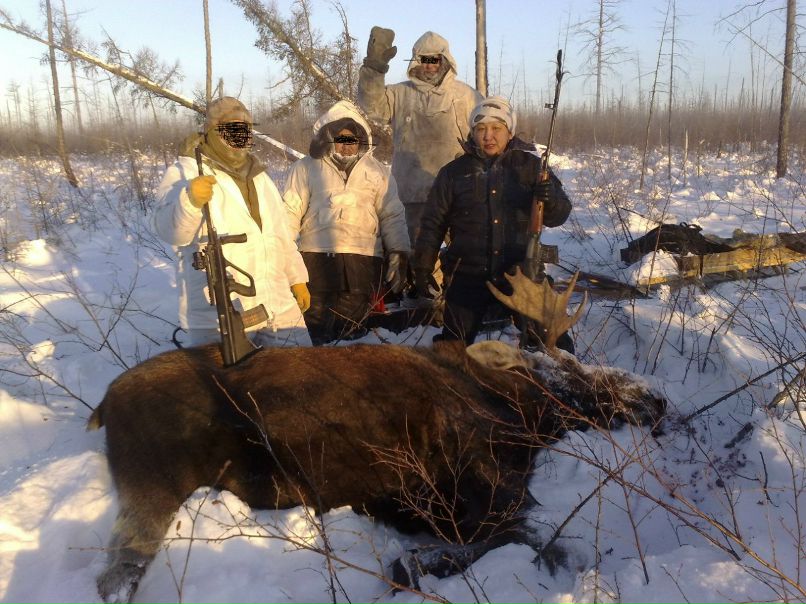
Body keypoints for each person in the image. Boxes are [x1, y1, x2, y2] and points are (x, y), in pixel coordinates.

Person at [412, 96, 574, 351]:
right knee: (451, 349)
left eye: (496, 128)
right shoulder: (453, 172)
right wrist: (422, 266)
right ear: (473, 133)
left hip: (520, 273)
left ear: (509, 132)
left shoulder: (531, 167)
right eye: (481, 129)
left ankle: (558, 383)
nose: (488, 136)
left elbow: (559, 215)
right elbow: (433, 223)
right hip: (467, 274)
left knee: (555, 344)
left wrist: (550, 198)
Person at [152, 96, 312, 348]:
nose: (240, 137)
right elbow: (171, 232)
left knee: (301, 376)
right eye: (232, 130)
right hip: (219, 314)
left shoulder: (260, 177)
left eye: (245, 131)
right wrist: (189, 202)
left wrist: (296, 278)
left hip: (278, 305)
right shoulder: (187, 171)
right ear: (213, 131)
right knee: (225, 385)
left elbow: (280, 235)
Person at [283, 100, 410, 345]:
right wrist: (285, 259)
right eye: (340, 139)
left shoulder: (378, 172)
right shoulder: (306, 168)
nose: (347, 145)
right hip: (315, 259)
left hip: (361, 261)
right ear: (327, 138)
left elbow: (392, 214)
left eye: (352, 139)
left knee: (350, 333)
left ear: (362, 139)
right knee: (315, 329)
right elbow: (289, 213)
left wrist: (399, 251)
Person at [358, 28, 483, 246]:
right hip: (412, 196)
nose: (429, 64)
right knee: (416, 262)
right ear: (416, 60)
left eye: (434, 59)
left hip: (459, 195)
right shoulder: (400, 94)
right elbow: (372, 106)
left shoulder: (467, 96)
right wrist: (373, 68)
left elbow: (487, 135)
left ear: (444, 60)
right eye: (423, 59)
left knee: (465, 259)